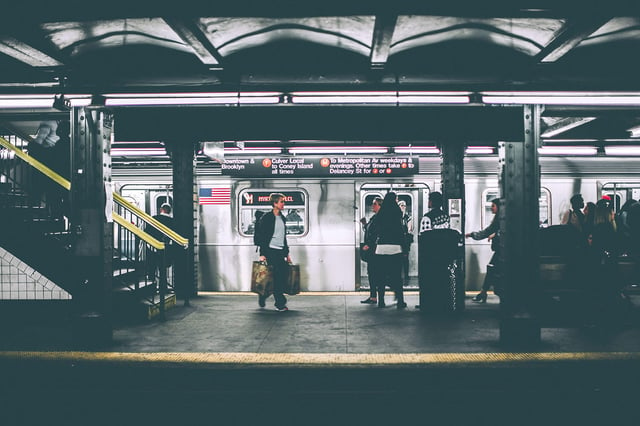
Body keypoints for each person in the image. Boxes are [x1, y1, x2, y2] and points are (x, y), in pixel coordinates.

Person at [254, 193, 292, 311]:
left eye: (283, 202)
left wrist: (287, 254)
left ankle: (263, 294)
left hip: (280, 251)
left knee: (278, 276)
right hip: (271, 250)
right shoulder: (267, 218)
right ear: (274, 203)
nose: (283, 204)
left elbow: (283, 237)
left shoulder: (282, 218)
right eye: (281, 202)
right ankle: (280, 303)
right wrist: (262, 254)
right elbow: (263, 237)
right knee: (277, 277)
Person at [369, 192, 406, 309]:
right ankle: (400, 301)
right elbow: (401, 233)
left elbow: (374, 232)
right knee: (397, 276)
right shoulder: (397, 214)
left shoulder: (380, 215)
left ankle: (381, 301)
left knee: (381, 276)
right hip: (395, 249)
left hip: (381, 249)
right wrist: (404, 249)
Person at [465, 198, 501, 303]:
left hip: (503, 253)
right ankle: (483, 293)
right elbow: (487, 232)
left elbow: (504, 232)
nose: (491, 208)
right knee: (491, 271)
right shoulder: (498, 219)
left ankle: (483, 293)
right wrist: (472, 234)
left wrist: (496, 234)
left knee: (491, 271)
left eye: (493, 206)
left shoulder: (502, 219)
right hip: (500, 251)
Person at [360, 197, 382, 304]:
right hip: (373, 251)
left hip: (375, 251)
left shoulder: (380, 218)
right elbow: (370, 231)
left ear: (380, 206)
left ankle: (375, 297)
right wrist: (365, 225)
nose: (372, 206)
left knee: (374, 274)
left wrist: (369, 245)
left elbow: (378, 234)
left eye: (374, 204)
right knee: (372, 273)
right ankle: (373, 296)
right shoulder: (375, 217)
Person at [145, 203, 176, 282]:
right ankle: (163, 287)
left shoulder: (154, 218)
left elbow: (146, 231)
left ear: (161, 209)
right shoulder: (172, 221)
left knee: (152, 267)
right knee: (163, 269)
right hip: (165, 247)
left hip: (152, 246)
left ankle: (151, 285)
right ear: (169, 211)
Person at [398, 200, 414, 286]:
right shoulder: (396, 217)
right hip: (397, 241)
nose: (403, 207)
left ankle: (406, 277)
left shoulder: (408, 217)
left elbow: (409, 229)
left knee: (405, 259)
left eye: (404, 205)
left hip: (405, 242)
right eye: (401, 205)